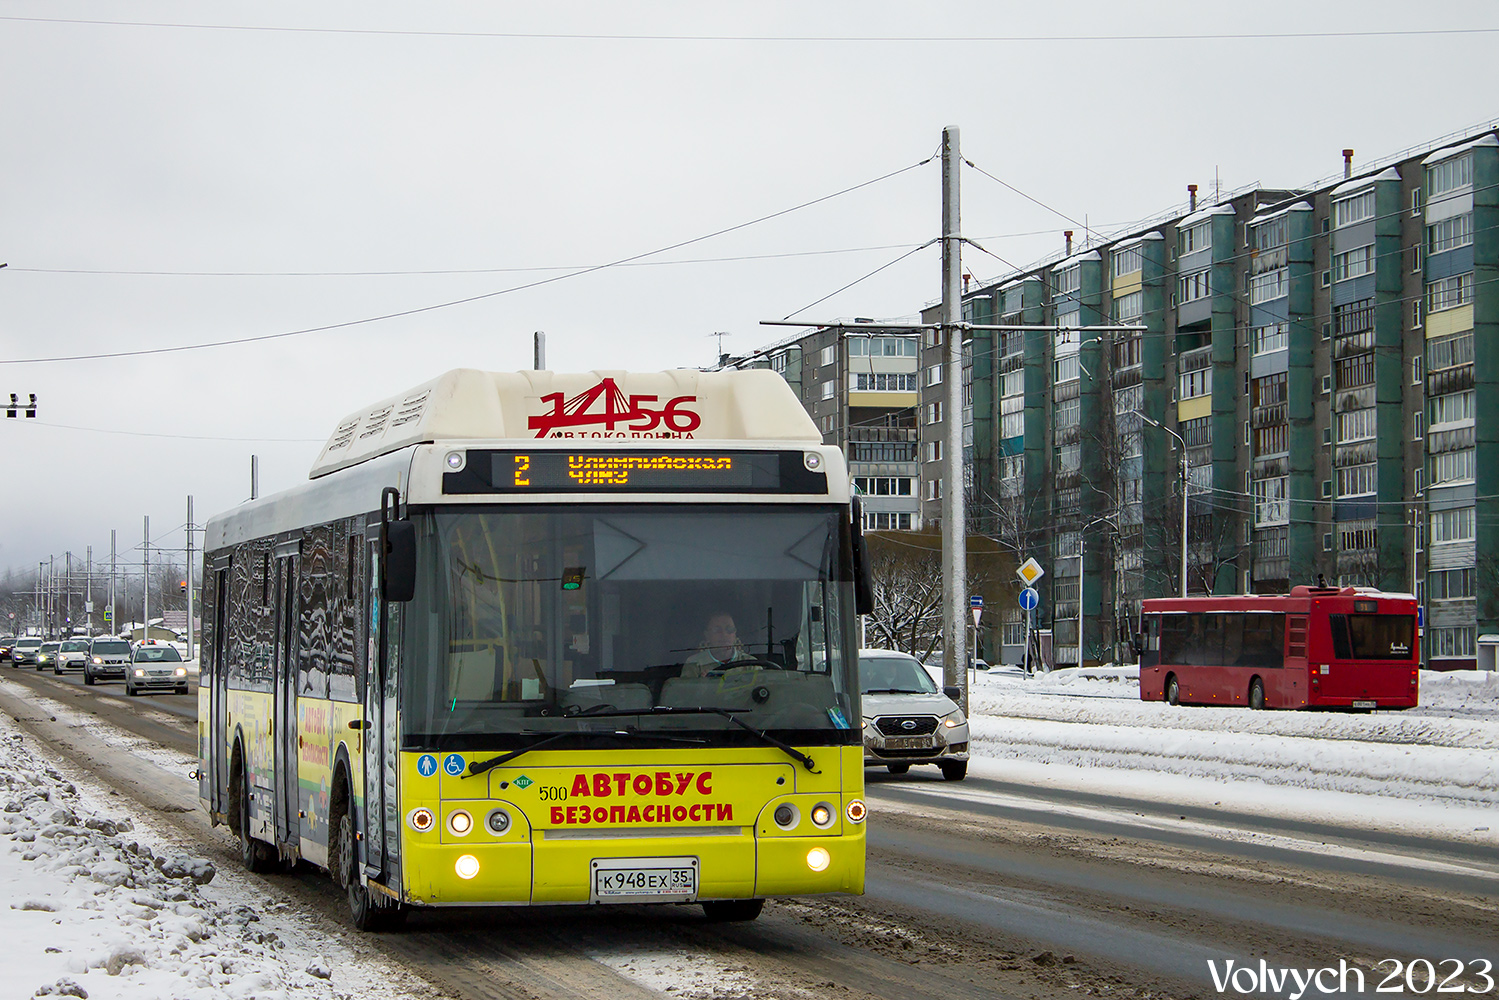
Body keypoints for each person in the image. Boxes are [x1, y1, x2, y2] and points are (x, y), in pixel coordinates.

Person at [680, 612, 751, 678]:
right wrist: (702, 683)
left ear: (735, 634)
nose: (724, 634)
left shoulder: (750, 663)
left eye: (729, 629)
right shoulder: (694, 664)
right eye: (717, 630)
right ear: (707, 635)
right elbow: (685, 691)